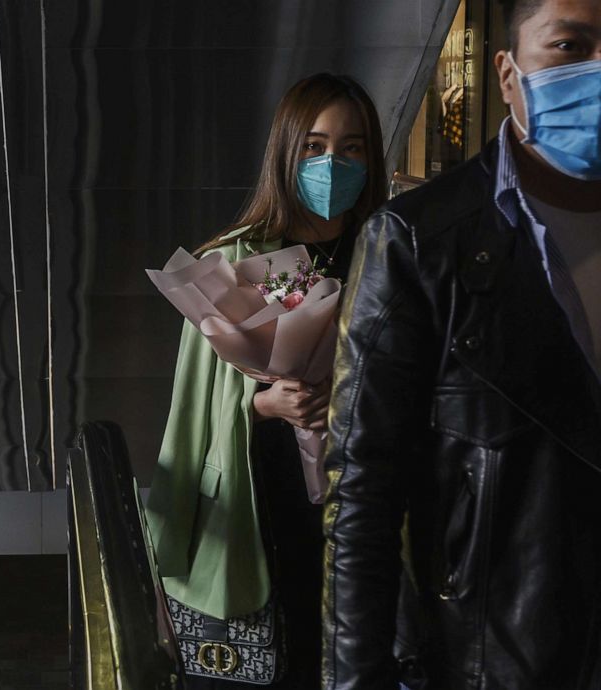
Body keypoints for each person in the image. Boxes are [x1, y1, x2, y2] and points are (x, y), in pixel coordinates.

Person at [322, 1, 601, 688]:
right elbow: (363, 496)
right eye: (570, 46)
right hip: (493, 660)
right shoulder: (418, 241)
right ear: (508, 75)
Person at [145, 73, 386, 689]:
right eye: (314, 146)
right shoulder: (236, 261)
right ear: (285, 151)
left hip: (369, 500)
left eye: (352, 147)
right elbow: (194, 410)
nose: (333, 163)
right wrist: (264, 404)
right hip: (263, 500)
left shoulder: (389, 249)